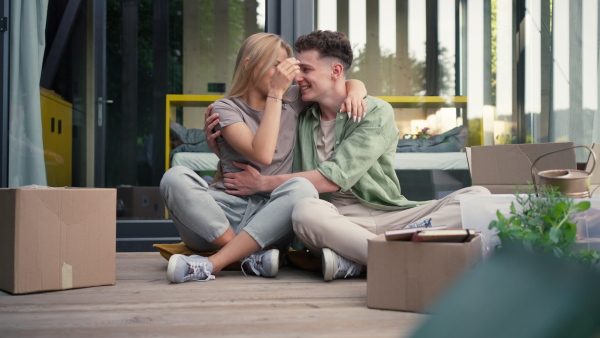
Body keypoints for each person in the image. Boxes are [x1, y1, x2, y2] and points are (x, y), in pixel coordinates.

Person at [218, 30, 491, 281]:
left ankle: (361, 260)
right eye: (297, 69)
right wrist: (218, 142)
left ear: (336, 71)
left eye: (306, 69)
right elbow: (258, 124)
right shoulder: (299, 111)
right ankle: (393, 256)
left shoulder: (374, 112)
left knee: (478, 196)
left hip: (386, 215)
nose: (297, 77)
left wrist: (263, 184)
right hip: (332, 221)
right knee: (303, 211)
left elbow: (335, 177)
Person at [160, 32, 367, 283]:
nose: (283, 74)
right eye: (275, 65)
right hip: (221, 217)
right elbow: (262, 153)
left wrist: (356, 92)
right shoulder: (226, 108)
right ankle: (245, 257)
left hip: (270, 219)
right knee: (175, 177)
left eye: (285, 66)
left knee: (302, 188)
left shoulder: (292, 99)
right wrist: (275, 94)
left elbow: (344, 81)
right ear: (249, 64)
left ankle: (218, 262)